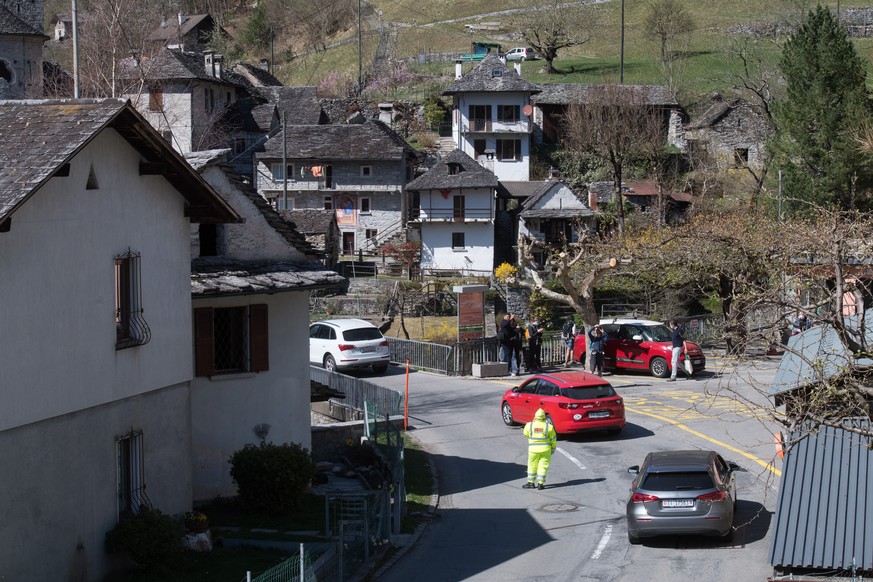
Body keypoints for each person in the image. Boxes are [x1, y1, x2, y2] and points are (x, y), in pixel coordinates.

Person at [523, 408, 557, 490]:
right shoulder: (549, 427)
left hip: (533, 449)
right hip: (546, 450)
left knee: (532, 465)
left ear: (535, 417)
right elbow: (553, 439)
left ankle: (530, 483)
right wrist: (553, 448)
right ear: (544, 417)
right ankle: (540, 484)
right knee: (543, 466)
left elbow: (525, 434)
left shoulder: (529, 425)